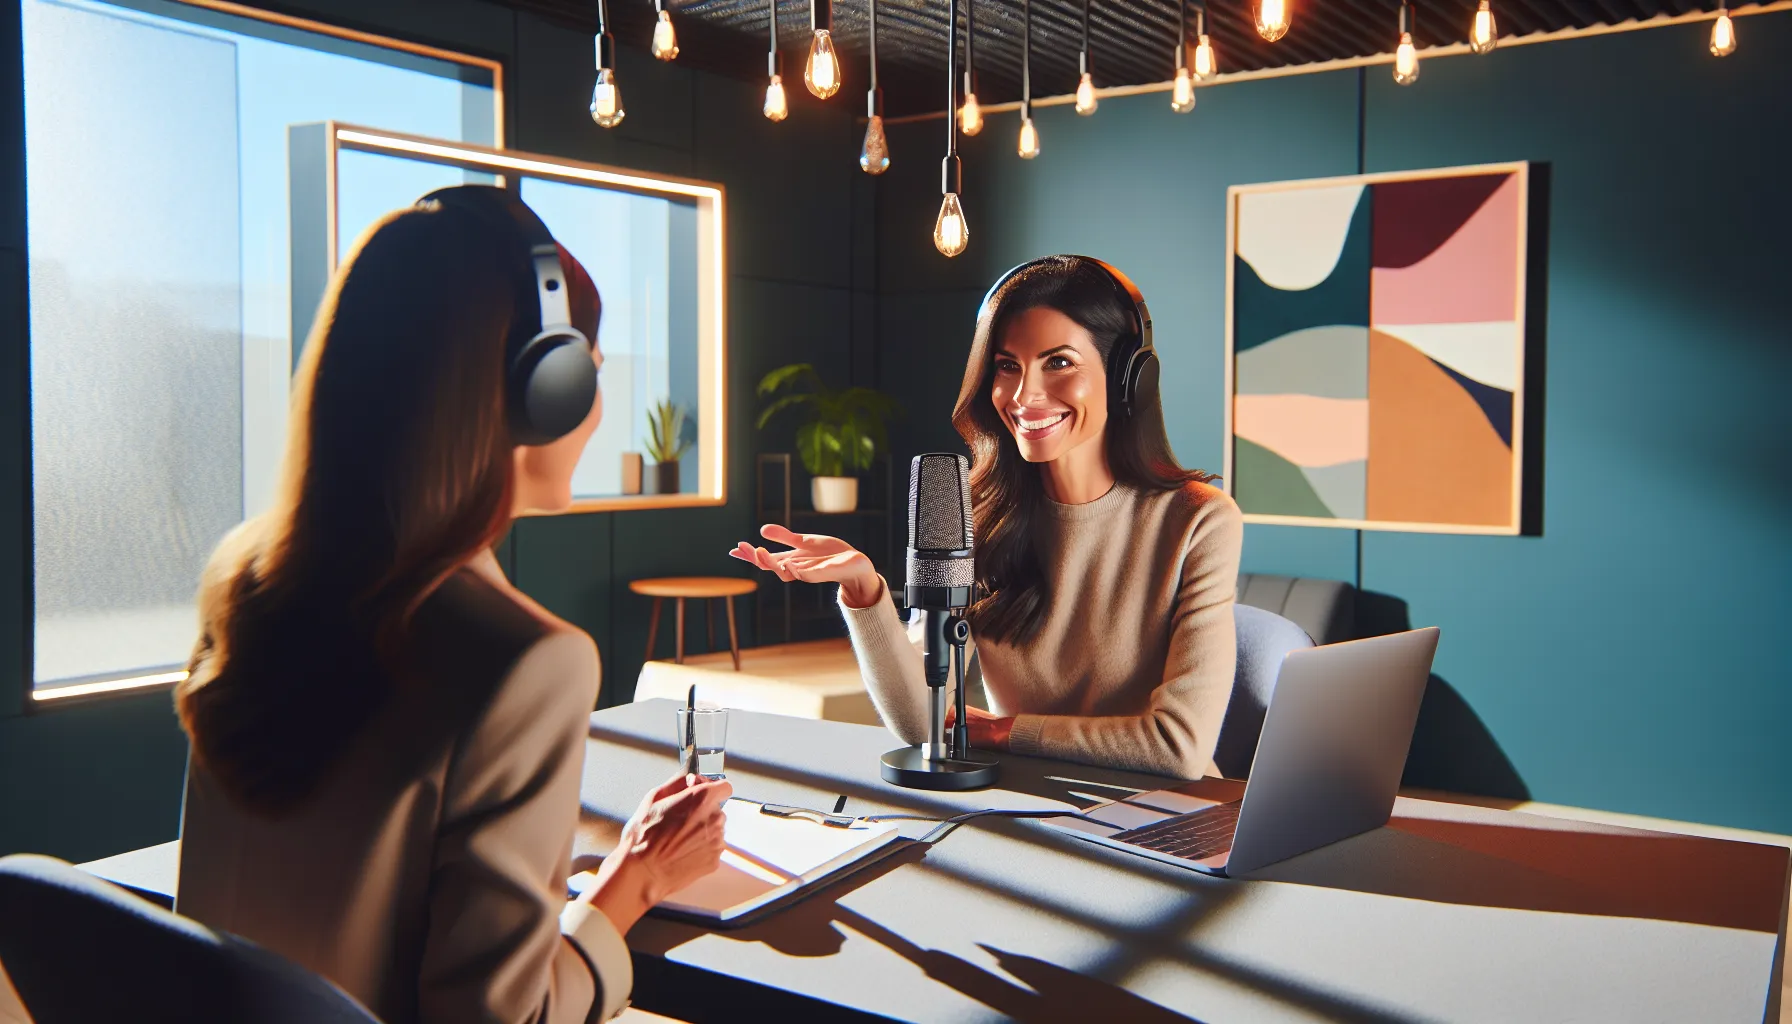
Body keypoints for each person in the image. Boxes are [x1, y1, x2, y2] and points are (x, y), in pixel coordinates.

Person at [173, 187, 729, 1024]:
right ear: (543, 388)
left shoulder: (242, 581)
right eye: (591, 375)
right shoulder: (526, 662)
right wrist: (634, 881)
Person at [733, 255, 1243, 779]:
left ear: (1125, 378)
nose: (1025, 396)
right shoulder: (973, 513)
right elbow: (921, 721)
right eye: (1007, 366)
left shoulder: (1198, 521)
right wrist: (867, 593)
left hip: (1168, 815)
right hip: (1033, 802)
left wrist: (1004, 730)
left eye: (1059, 362)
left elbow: (1177, 746)